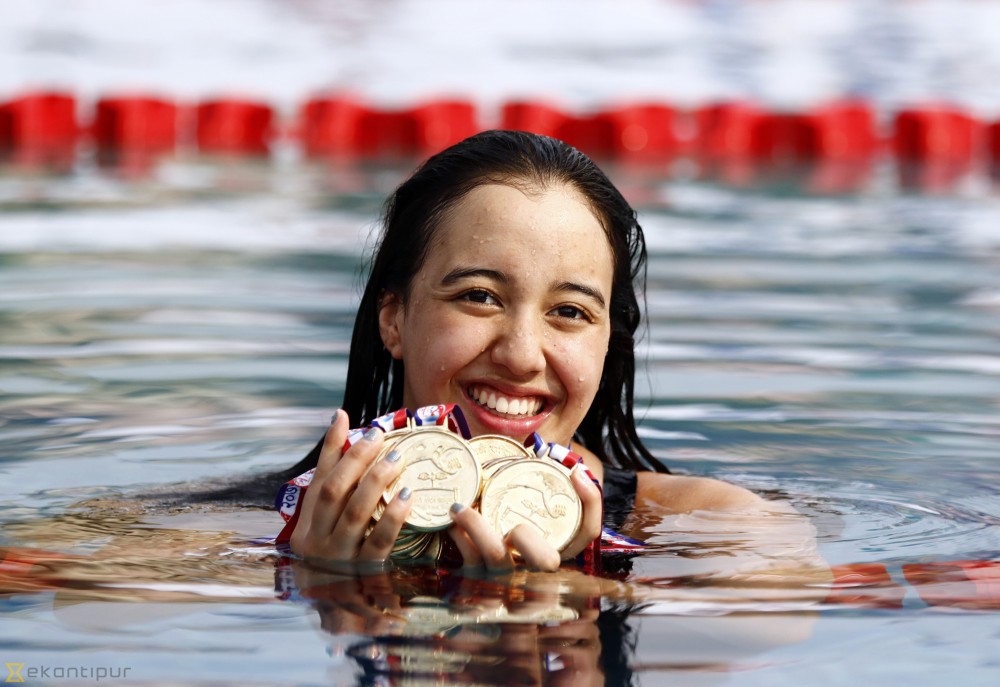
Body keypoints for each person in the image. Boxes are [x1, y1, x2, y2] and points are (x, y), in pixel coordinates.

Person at [285, 129, 770, 572]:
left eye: (570, 312)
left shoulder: (704, 527)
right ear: (393, 318)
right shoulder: (259, 525)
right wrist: (324, 581)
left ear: (607, 343)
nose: (521, 357)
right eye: (479, 297)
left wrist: (560, 600)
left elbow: (776, 625)